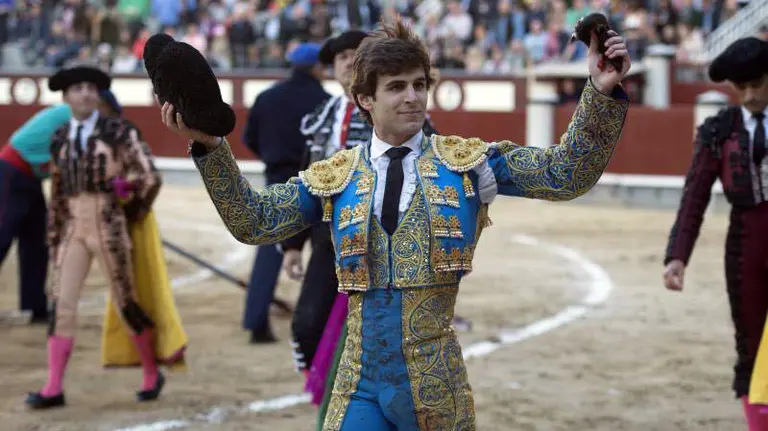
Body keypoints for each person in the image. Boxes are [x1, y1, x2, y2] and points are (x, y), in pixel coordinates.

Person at [162, 17, 630, 430]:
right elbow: (255, 221)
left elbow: (564, 173)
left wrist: (600, 92)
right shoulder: (336, 175)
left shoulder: (470, 163)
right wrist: (208, 147)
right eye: (396, 87)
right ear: (364, 98)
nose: (412, 98)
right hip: (359, 382)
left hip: (434, 384)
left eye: (419, 85)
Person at [284, 30, 439, 421]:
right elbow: (308, 180)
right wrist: (291, 245)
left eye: (355, 56)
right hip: (328, 238)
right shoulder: (320, 118)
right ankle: (329, 400)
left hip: (383, 246)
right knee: (306, 324)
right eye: (340, 59)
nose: (347, 64)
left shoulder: (409, 121)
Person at [25, 65, 186, 410]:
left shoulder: (118, 131)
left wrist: (130, 207)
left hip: (108, 224)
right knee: (61, 302)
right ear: (66, 97)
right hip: (72, 226)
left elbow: (150, 176)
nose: (84, 93)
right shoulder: (60, 138)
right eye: (77, 88)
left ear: (97, 95)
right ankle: (53, 386)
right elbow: (57, 192)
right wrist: (54, 234)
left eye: (90, 88)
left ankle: (149, 373)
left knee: (125, 299)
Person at [663, 37, 768, 429]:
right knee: (752, 342)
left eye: (758, 82)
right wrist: (678, 254)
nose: (752, 94)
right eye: (742, 87)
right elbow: (695, 195)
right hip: (745, 246)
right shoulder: (719, 130)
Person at [240, 42, 330, 344]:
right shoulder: (326, 103)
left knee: (270, 252)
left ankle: (256, 322)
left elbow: (249, 138)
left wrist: (272, 160)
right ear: (317, 68)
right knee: (323, 253)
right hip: (317, 183)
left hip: (277, 180)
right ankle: (322, 326)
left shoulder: (267, 97)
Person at [0, 103, 72, 324]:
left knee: (36, 240)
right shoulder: (73, 116)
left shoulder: (75, 115)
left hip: (30, 176)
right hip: (11, 171)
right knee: (1, 237)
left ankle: (34, 306)